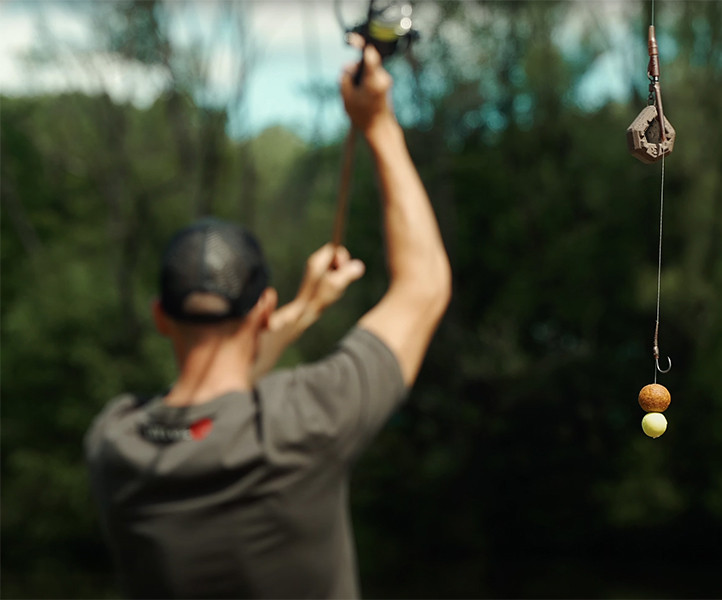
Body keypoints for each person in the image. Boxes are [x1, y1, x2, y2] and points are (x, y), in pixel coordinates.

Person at [84, 41, 451, 599]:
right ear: (261, 310)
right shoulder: (303, 422)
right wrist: (378, 124)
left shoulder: (116, 444)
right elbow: (423, 286)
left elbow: (211, 416)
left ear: (161, 316)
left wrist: (303, 310)